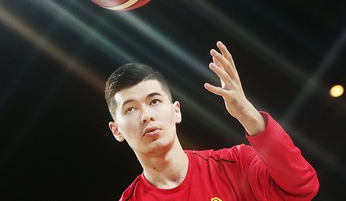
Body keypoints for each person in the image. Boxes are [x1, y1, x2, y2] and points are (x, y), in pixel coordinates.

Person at [105, 41, 319, 201]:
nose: (146, 116)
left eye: (154, 101)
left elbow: (302, 188)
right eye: (131, 108)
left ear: (176, 111)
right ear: (117, 130)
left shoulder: (237, 164)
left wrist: (247, 113)